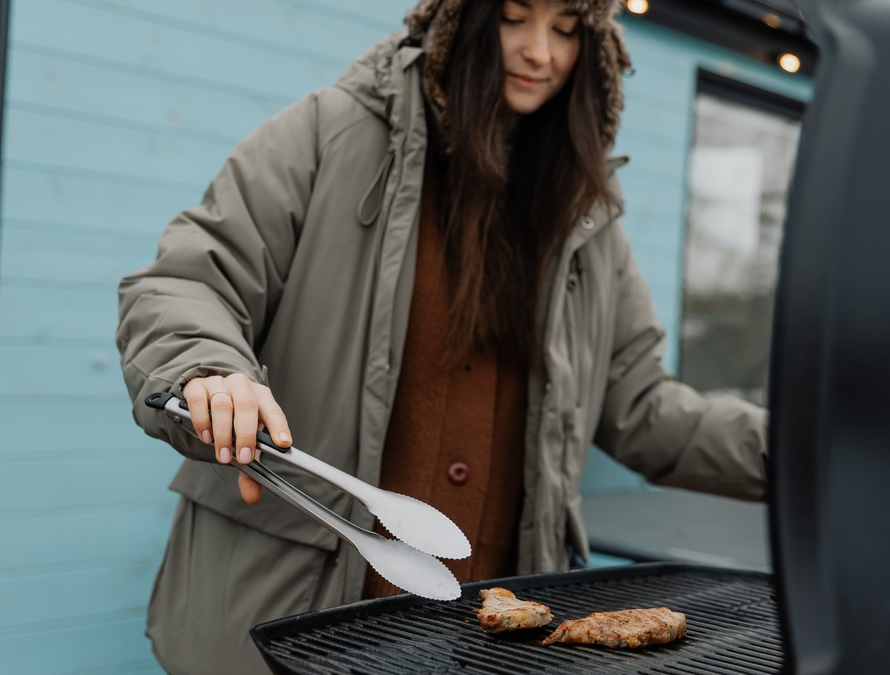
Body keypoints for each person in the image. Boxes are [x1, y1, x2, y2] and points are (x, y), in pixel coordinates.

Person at [116, 0, 768, 672]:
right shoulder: (330, 132)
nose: (540, 52)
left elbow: (645, 408)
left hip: (490, 649)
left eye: (567, 28)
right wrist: (209, 372)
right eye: (514, 16)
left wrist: (807, 454)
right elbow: (186, 283)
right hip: (295, 625)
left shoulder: (583, 211)